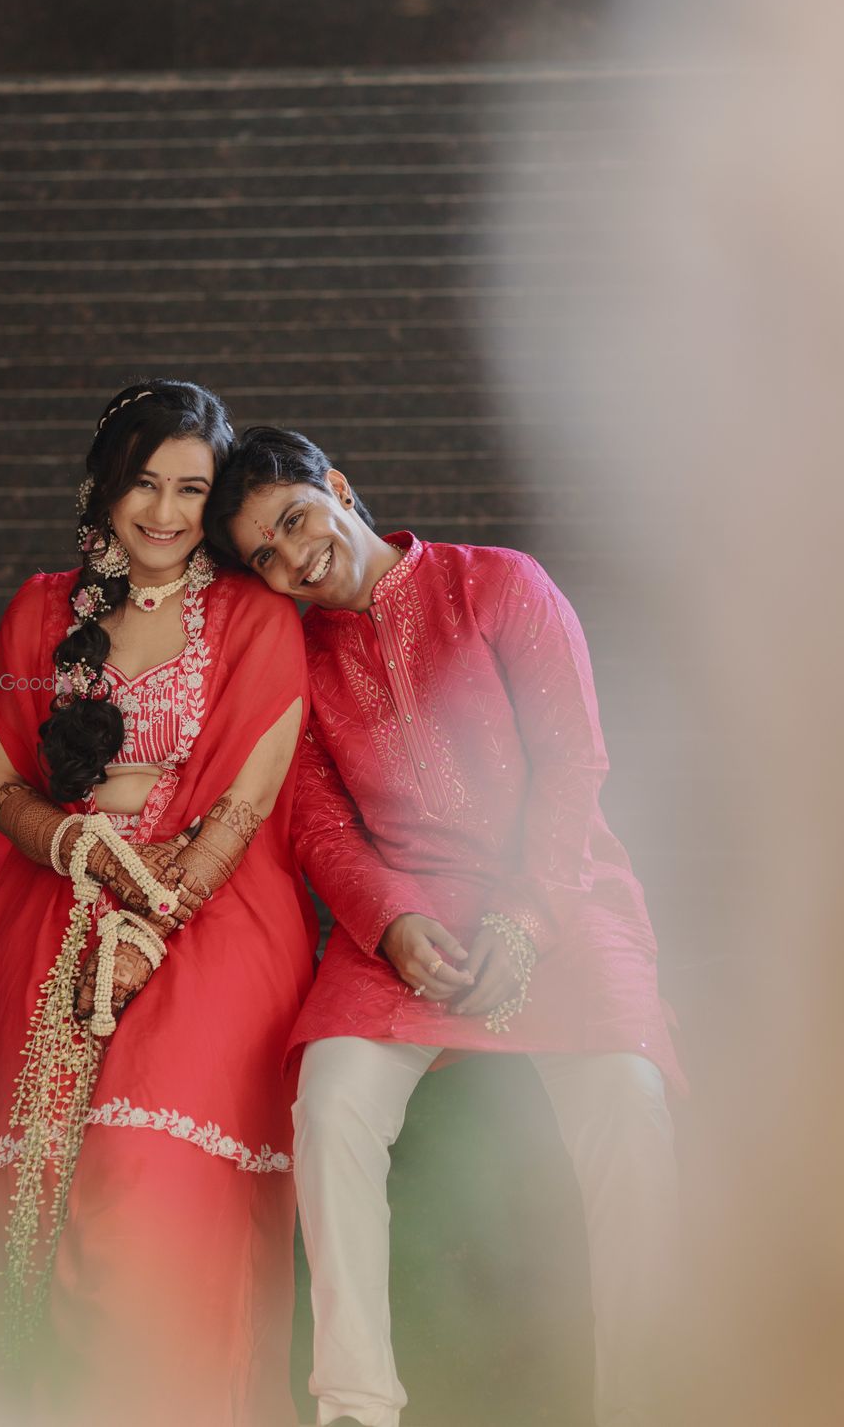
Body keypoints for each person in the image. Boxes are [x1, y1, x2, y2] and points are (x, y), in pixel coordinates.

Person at [205, 426, 686, 1427]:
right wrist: (390, 922)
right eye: (265, 555)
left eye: (295, 519)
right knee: (331, 1102)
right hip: (404, 929)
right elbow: (317, 823)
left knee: (628, 1102)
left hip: (562, 898)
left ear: (337, 487)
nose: (294, 559)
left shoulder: (496, 584)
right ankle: (355, 1402)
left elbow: (573, 766)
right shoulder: (297, 661)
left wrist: (526, 918)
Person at [0, 384, 317, 1427]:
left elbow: (244, 805)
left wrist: (150, 921)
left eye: (192, 489)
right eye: (144, 483)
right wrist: (81, 845)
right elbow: (6, 788)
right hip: (54, 897)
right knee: (49, 1175)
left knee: (142, 1164)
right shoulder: (37, 610)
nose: (164, 511)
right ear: (104, 486)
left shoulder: (255, 617)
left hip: (213, 908)